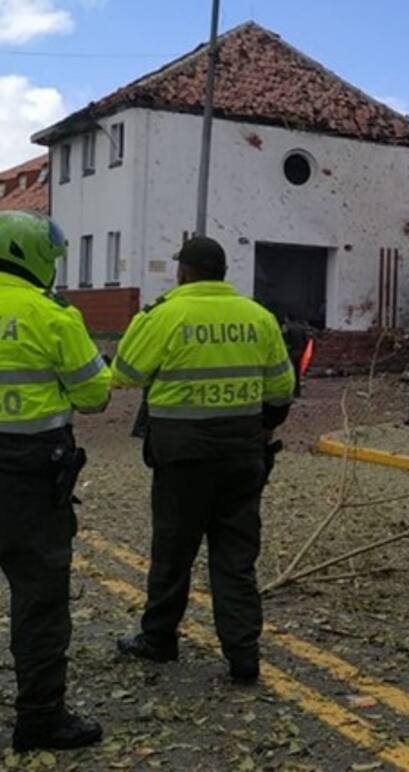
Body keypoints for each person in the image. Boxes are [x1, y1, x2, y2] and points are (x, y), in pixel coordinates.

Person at [111, 236, 294, 682]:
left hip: (182, 456)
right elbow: (281, 389)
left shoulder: (164, 314)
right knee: (236, 557)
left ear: (185, 272)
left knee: (173, 551)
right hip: (242, 453)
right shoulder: (258, 317)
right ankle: (243, 656)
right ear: (222, 271)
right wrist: (263, 429)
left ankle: (159, 639)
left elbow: (125, 374)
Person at [0, 211, 110, 752]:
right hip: (29, 479)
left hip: (29, 475)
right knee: (39, 599)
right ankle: (40, 718)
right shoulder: (53, 316)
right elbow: (95, 395)